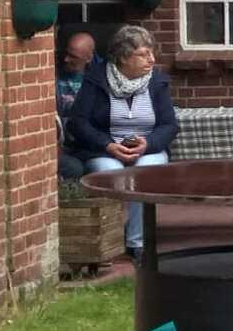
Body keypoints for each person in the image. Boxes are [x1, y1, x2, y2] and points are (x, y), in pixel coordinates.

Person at [71, 25, 179, 260]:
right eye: (143, 54)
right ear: (122, 57)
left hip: (147, 148)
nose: (151, 59)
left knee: (145, 173)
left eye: (151, 53)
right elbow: (78, 123)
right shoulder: (96, 80)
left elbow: (169, 125)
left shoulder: (157, 82)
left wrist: (148, 144)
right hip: (105, 150)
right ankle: (109, 240)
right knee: (109, 172)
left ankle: (136, 242)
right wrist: (108, 145)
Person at [55, 28, 97, 180]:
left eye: (73, 57)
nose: (66, 59)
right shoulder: (53, 76)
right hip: (62, 143)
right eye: (67, 54)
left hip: (87, 143)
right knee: (74, 168)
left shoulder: (98, 80)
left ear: (89, 58)